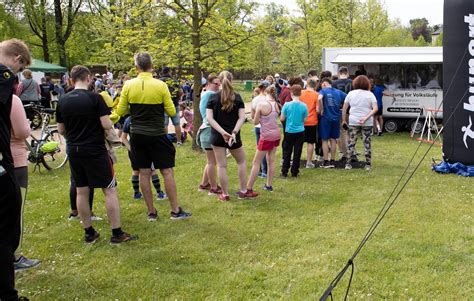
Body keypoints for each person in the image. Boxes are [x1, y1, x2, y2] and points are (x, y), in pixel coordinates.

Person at [56, 65, 136, 243]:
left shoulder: (63, 100)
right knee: (109, 189)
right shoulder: (95, 98)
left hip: (74, 150)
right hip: (95, 149)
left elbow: (61, 129)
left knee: (81, 191)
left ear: (71, 79)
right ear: (88, 78)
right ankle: (117, 233)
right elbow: (107, 124)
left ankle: (89, 232)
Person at [111, 53, 191, 221]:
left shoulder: (128, 85)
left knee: (144, 173)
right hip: (157, 134)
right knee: (167, 171)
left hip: (137, 135)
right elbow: (170, 111)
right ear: (152, 66)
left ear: (137, 67)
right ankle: (175, 210)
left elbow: (121, 111)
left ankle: (151, 212)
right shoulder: (160, 85)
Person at [0, 38, 31, 301]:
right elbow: (21, 131)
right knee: (6, 230)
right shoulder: (4, 79)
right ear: (17, 60)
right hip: (6, 164)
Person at [206, 71, 251, 201]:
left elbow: (210, 118)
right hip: (233, 136)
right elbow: (242, 118)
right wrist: (233, 133)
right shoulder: (237, 97)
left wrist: (222, 132)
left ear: (219, 81)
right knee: (241, 161)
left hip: (218, 136)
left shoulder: (213, 98)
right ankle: (243, 191)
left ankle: (225, 194)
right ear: (231, 80)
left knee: (221, 165)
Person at [10, 94, 41, 271]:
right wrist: (27, 125)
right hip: (14, 159)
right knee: (15, 209)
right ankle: (15, 256)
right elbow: (22, 131)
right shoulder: (12, 99)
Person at [121, 116, 167, 201]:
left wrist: (131, 149)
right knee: (152, 170)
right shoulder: (146, 117)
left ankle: (137, 194)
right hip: (147, 149)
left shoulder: (128, 120)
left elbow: (123, 138)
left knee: (136, 171)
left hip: (135, 150)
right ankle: (159, 193)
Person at [247, 86, 281, 192]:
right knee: (271, 160)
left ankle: (248, 188)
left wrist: (253, 114)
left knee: (256, 162)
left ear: (266, 93)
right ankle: (269, 185)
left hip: (266, 136)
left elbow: (255, 122)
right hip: (276, 134)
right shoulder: (277, 104)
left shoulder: (262, 105)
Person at [342, 75, 378, 171]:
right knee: (367, 143)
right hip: (367, 122)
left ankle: (348, 164)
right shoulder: (370, 94)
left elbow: (344, 108)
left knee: (351, 142)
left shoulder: (350, 93)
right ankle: (368, 164)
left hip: (353, 121)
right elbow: (375, 108)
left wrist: (344, 120)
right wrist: (366, 117)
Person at [197, 75, 222, 195]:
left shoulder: (206, 93)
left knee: (211, 161)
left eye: (219, 84)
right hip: (208, 130)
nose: (218, 86)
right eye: (215, 84)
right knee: (212, 162)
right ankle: (213, 188)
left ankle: (204, 184)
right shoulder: (209, 95)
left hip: (207, 130)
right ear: (209, 84)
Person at [318, 78, 347, 168]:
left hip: (325, 118)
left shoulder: (323, 91)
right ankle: (333, 160)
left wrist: (321, 109)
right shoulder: (338, 92)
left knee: (325, 140)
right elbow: (348, 98)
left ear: (324, 84)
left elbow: (319, 98)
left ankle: (326, 161)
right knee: (333, 139)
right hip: (336, 118)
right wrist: (343, 108)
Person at [280, 84, 308, 177]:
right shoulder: (304, 106)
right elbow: (305, 120)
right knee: (297, 152)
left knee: (287, 151)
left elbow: (282, 118)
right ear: (300, 93)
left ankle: (284, 171)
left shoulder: (287, 105)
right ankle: (295, 171)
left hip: (289, 131)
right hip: (300, 131)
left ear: (291, 93)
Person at [332, 66, 353, 162]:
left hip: (339, 109)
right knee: (350, 130)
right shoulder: (352, 82)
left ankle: (343, 153)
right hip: (351, 109)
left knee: (342, 131)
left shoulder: (334, 83)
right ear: (347, 73)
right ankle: (351, 150)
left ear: (338, 73)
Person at [251, 80, 270, 178]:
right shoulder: (268, 99)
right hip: (267, 127)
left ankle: (259, 170)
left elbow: (252, 115)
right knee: (266, 150)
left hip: (257, 127)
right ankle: (265, 171)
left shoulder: (255, 99)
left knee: (259, 148)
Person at [160, 67, 184, 146]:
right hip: (175, 104)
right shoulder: (175, 81)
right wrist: (177, 98)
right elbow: (181, 92)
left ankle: (165, 141)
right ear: (169, 71)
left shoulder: (160, 81)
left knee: (165, 124)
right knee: (177, 124)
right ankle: (179, 141)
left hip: (164, 105)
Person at [299, 77, 319, 168]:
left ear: (307, 84)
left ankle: (296, 159)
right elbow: (318, 109)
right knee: (310, 142)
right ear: (315, 85)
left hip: (301, 120)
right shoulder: (316, 95)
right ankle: (309, 162)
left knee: (298, 142)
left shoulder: (301, 93)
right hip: (312, 121)